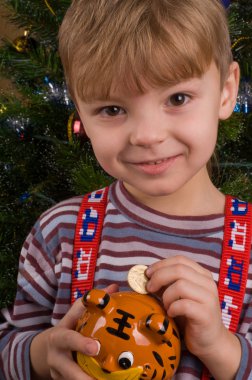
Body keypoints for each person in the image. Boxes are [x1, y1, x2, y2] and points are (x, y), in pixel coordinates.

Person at [0, 0, 251, 379]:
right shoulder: (60, 233)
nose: (147, 136)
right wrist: (40, 352)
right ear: (80, 112)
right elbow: (9, 345)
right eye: (112, 110)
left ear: (226, 92)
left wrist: (220, 346)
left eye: (177, 99)